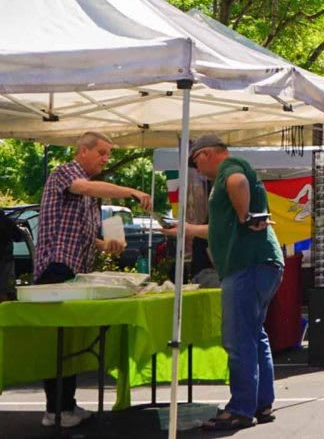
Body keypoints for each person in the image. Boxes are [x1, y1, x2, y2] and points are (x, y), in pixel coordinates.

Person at [35, 131, 151, 429]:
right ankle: (54, 410)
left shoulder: (88, 196)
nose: (106, 159)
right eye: (101, 152)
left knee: (71, 337)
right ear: (82, 151)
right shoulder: (66, 173)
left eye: (108, 154)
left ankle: (66, 404)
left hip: (74, 268)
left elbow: (85, 236)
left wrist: (106, 245)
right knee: (59, 340)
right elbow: (84, 187)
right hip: (56, 268)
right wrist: (130, 191)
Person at [176, 135, 283, 430]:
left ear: (207, 153)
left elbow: (238, 183)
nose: (197, 169)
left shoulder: (230, 169)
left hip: (246, 266)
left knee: (238, 338)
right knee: (253, 334)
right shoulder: (232, 170)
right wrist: (185, 230)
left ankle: (240, 408)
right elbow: (219, 230)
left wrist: (243, 213)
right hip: (261, 263)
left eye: (196, 161)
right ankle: (261, 402)